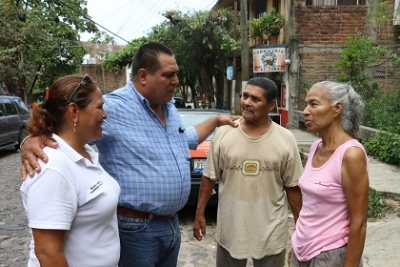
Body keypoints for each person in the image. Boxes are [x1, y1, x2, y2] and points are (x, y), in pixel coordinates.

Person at [20, 42, 239, 267]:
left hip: (171, 226)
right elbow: (63, 127)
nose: (176, 81)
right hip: (137, 229)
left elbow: (185, 139)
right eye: (169, 75)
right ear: (143, 76)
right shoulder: (112, 108)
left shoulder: (169, 107)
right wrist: (31, 141)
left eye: (177, 74)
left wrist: (215, 121)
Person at [193, 77, 303, 267]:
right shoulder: (224, 134)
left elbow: (293, 188)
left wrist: (302, 231)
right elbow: (209, 177)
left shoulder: (285, 139)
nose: (247, 102)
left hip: (271, 233)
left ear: (271, 105)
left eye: (255, 99)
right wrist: (199, 214)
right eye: (245, 96)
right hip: (231, 231)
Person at [20, 74, 120, 266]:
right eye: (99, 107)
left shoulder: (85, 153)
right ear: (74, 111)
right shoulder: (54, 168)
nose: (105, 114)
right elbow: (48, 254)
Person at [290, 81, 369, 267]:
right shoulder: (316, 147)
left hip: (330, 254)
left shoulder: (351, 154)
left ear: (337, 109)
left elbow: (359, 222)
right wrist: (296, 245)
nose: (305, 111)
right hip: (302, 250)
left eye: (313, 104)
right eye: (305, 104)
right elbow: (311, 207)